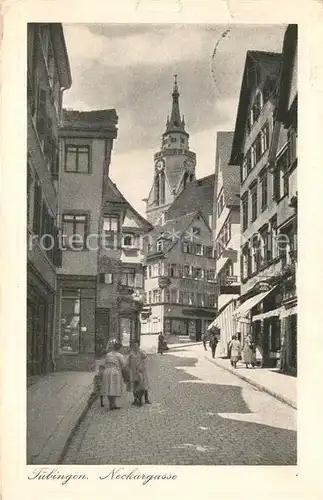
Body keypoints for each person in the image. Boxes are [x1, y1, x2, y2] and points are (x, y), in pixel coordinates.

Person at [102, 341, 127, 410]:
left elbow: (105, 363)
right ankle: (113, 404)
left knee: (109, 387)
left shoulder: (108, 354)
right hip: (115, 372)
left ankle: (111, 403)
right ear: (119, 348)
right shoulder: (119, 355)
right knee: (114, 387)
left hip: (107, 371)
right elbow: (124, 365)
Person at [127, 341, 151, 406]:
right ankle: (135, 399)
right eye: (134, 346)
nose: (135, 347)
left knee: (144, 386)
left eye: (136, 346)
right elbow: (128, 363)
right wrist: (130, 370)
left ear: (139, 346)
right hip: (134, 372)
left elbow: (145, 356)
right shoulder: (131, 354)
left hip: (141, 371)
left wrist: (140, 352)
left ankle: (146, 399)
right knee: (135, 386)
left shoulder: (141, 352)